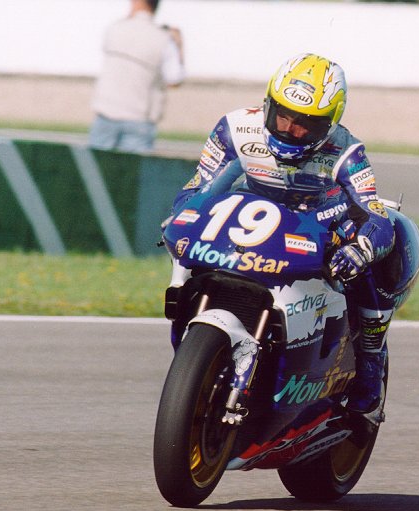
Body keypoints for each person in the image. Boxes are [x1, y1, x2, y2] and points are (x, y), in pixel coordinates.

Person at [170, 53, 397, 429]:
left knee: (369, 267)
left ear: (328, 124)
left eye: (304, 125)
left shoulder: (347, 152)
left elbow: (376, 215)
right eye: (282, 116)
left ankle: (371, 362)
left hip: (319, 222)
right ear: (268, 104)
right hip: (252, 215)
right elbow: (199, 186)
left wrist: (361, 249)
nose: (290, 129)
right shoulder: (234, 128)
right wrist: (182, 215)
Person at [89, 0, 185, 153]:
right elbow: (175, 79)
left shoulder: (115, 29)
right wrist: (179, 44)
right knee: (133, 168)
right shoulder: (164, 38)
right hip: (139, 118)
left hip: (106, 113)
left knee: (96, 167)